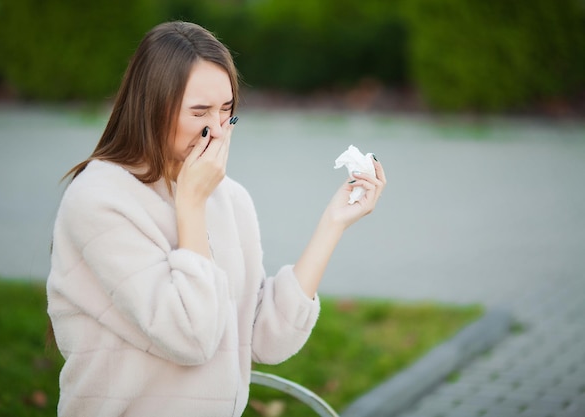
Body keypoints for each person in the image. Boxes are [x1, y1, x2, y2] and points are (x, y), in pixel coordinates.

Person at [46, 21, 386, 417]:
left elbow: (263, 340)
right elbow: (191, 336)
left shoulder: (230, 199)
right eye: (199, 112)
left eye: (227, 111)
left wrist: (333, 224)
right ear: (151, 105)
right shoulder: (99, 199)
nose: (218, 131)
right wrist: (191, 205)